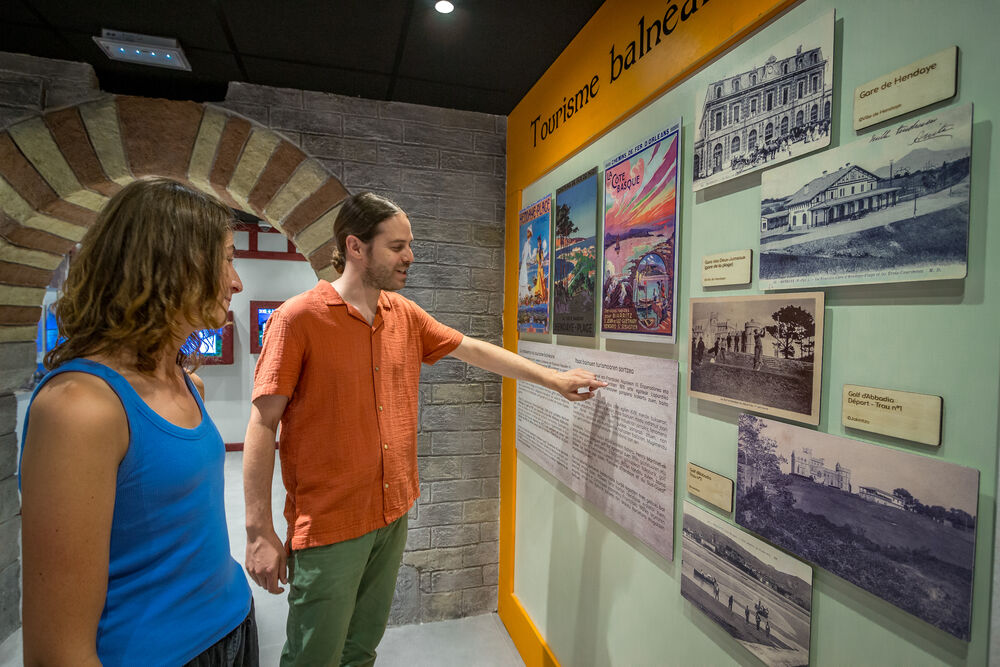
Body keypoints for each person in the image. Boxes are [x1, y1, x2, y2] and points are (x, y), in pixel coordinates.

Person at [243, 192, 606, 666]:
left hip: (392, 515)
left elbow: (472, 349)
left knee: (360, 650)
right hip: (331, 526)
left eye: (408, 245)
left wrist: (553, 379)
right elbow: (262, 422)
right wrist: (258, 532)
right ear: (355, 247)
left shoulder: (404, 315)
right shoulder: (298, 319)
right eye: (397, 247)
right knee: (313, 657)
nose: (409, 257)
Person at [19, 179, 256, 665]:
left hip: (232, 622)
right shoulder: (80, 407)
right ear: (171, 264)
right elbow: (55, 650)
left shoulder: (185, 380)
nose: (237, 282)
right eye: (227, 259)